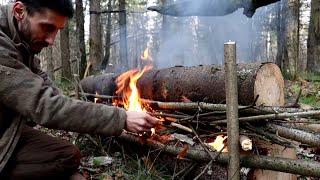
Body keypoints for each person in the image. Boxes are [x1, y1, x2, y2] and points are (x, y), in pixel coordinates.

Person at [0, 0, 159, 179]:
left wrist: (77, 109)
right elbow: (44, 105)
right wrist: (121, 118)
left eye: (57, 31)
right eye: (47, 27)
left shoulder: (20, 41)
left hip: (7, 129)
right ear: (19, 11)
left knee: (68, 155)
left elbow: (45, 85)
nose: (51, 41)